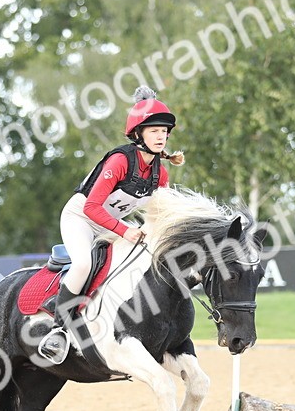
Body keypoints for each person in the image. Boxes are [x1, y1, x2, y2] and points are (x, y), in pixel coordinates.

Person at [37, 85, 185, 363]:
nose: (161, 136)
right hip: (80, 218)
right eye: (154, 130)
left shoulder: (160, 174)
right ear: (138, 134)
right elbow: (92, 207)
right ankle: (58, 329)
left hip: (110, 224)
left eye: (164, 131)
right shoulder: (119, 160)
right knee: (82, 264)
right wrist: (126, 230)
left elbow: (159, 216)